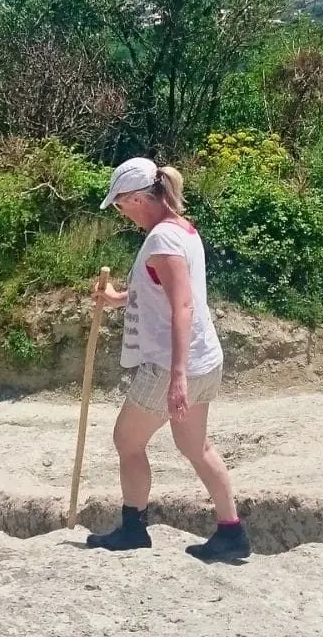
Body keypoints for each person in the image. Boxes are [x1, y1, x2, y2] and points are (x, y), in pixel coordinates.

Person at [84, 158, 249, 562]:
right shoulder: (183, 229)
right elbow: (162, 289)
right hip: (204, 359)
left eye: (122, 204)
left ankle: (133, 528)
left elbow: (183, 307)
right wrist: (119, 298)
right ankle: (232, 532)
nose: (122, 213)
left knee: (127, 439)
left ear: (140, 198)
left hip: (175, 364)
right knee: (195, 445)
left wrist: (177, 378)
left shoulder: (162, 240)